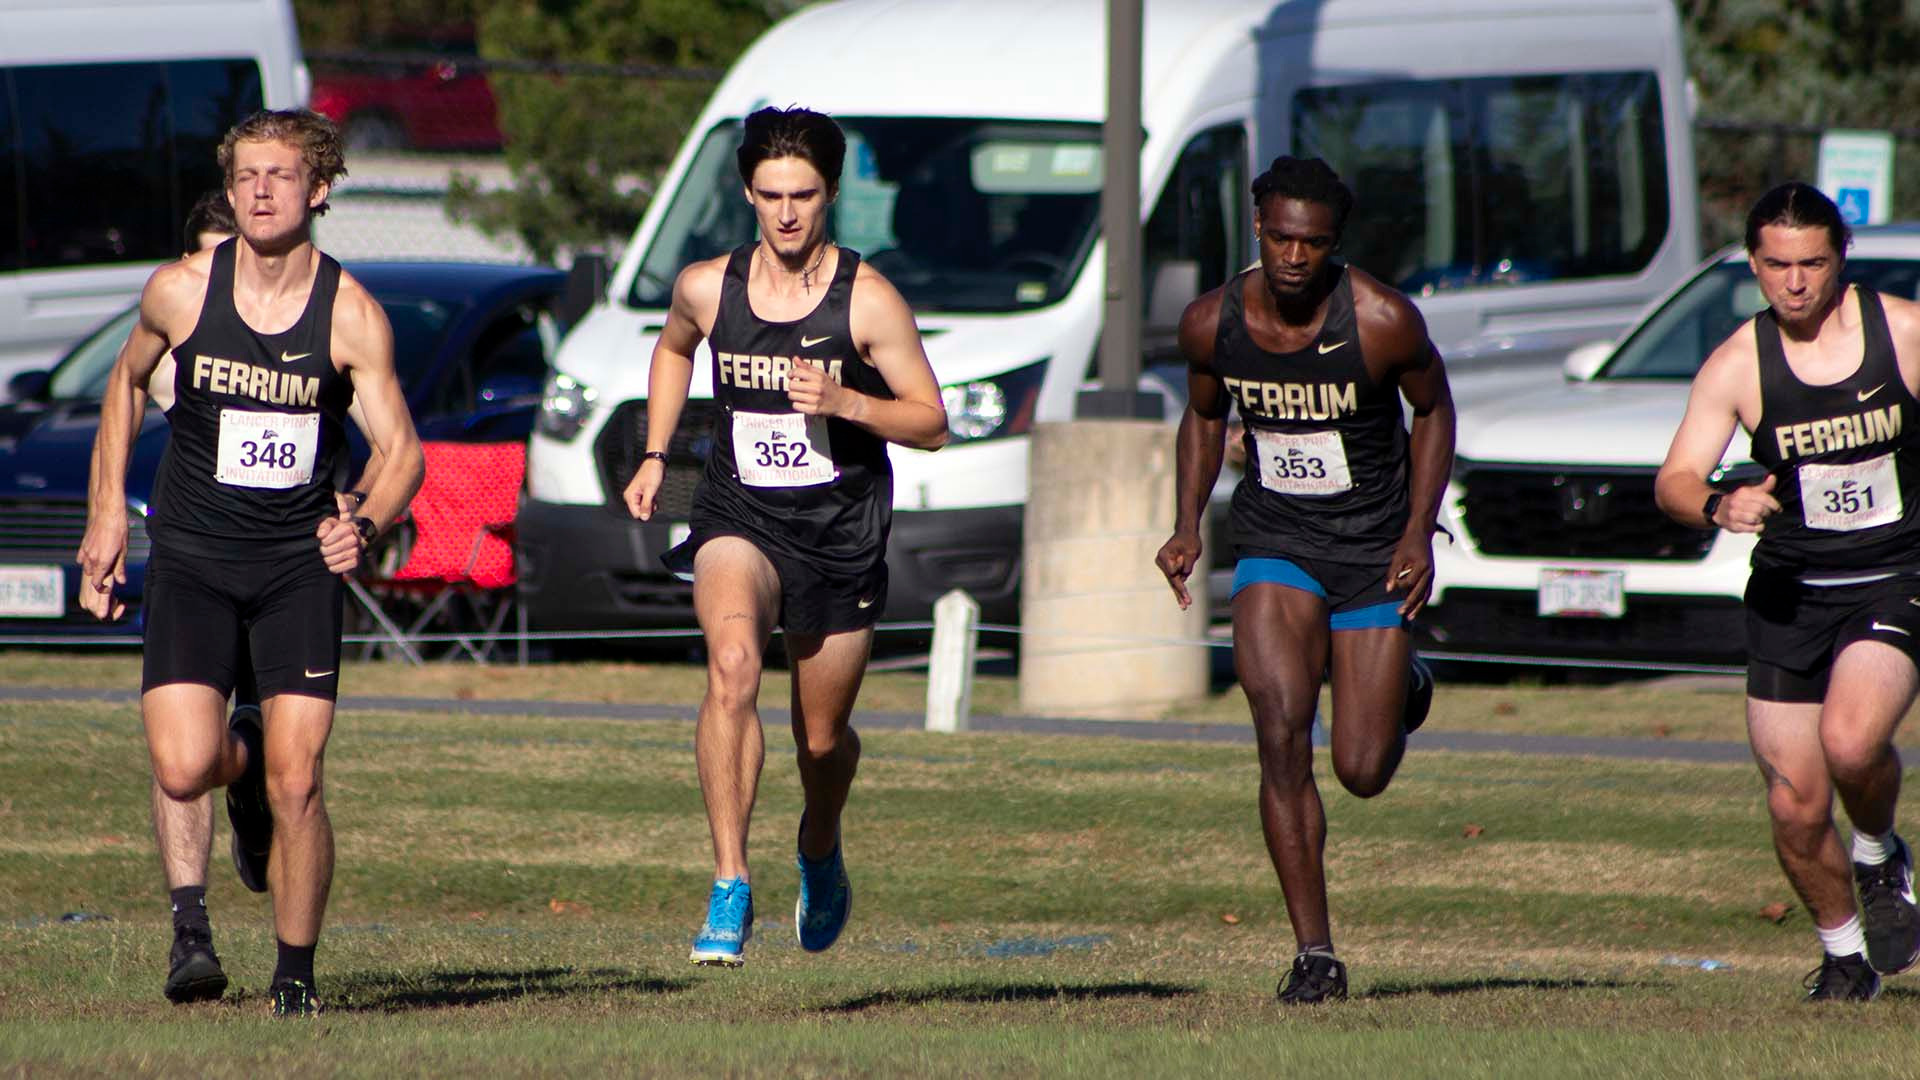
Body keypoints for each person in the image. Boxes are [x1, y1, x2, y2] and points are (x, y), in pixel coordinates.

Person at [77, 108, 425, 1017]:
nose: (260, 192)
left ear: (318, 189)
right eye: (245, 177)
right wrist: (107, 512)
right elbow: (123, 383)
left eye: (279, 176)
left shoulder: (351, 315)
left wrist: (367, 520)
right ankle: (244, 774)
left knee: (300, 779)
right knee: (187, 766)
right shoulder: (181, 292)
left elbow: (403, 452)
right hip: (192, 555)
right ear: (230, 192)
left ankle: (294, 979)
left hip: (295, 567)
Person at [624, 106, 947, 967]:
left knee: (820, 739)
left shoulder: (869, 301)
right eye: (770, 196)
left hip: (840, 530)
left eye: (804, 194)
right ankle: (730, 882)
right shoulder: (707, 285)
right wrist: (659, 453)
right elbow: (673, 349)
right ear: (747, 193)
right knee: (731, 670)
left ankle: (820, 842)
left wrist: (848, 403)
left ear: (832, 193)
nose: (788, 213)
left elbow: (931, 421)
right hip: (737, 512)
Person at [1154, 156, 1454, 1004]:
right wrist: (1186, 524)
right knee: (1280, 727)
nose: (1294, 257)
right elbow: (1204, 415)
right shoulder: (1211, 323)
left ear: (1335, 245)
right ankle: (1314, 952)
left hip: (1369, 552)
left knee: (1361, 768)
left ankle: (1405, 687)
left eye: (1313, 244)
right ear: (1257, 227)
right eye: (1281, 237)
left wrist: (1416, 532)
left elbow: (1435, 411)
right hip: (1276, 539)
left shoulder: (1385, 320)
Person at [1655, 182, 1920, 1002]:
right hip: (1789, 593)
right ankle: (1845, 957)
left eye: (1811, 264)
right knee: (1795, 804)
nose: (1795, 283)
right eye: (1777, 265)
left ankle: (1878, 848)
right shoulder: (1738, 363)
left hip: (1897, 575)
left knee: (1849, 742)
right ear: (1753, 265)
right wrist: (1716, 502)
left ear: (1840, 259)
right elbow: (1674, 478)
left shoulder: (1904, 334)